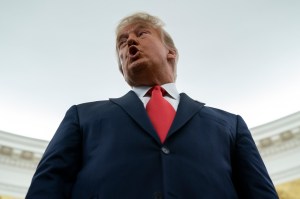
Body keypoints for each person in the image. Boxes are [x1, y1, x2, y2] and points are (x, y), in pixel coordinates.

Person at [26, 12, 279, 199]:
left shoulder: (230, 124)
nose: (130, 42)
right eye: (122, 43)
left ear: (171, 52)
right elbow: (46, 189)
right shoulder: (82, 117)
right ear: (121, 67)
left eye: (141, 33)